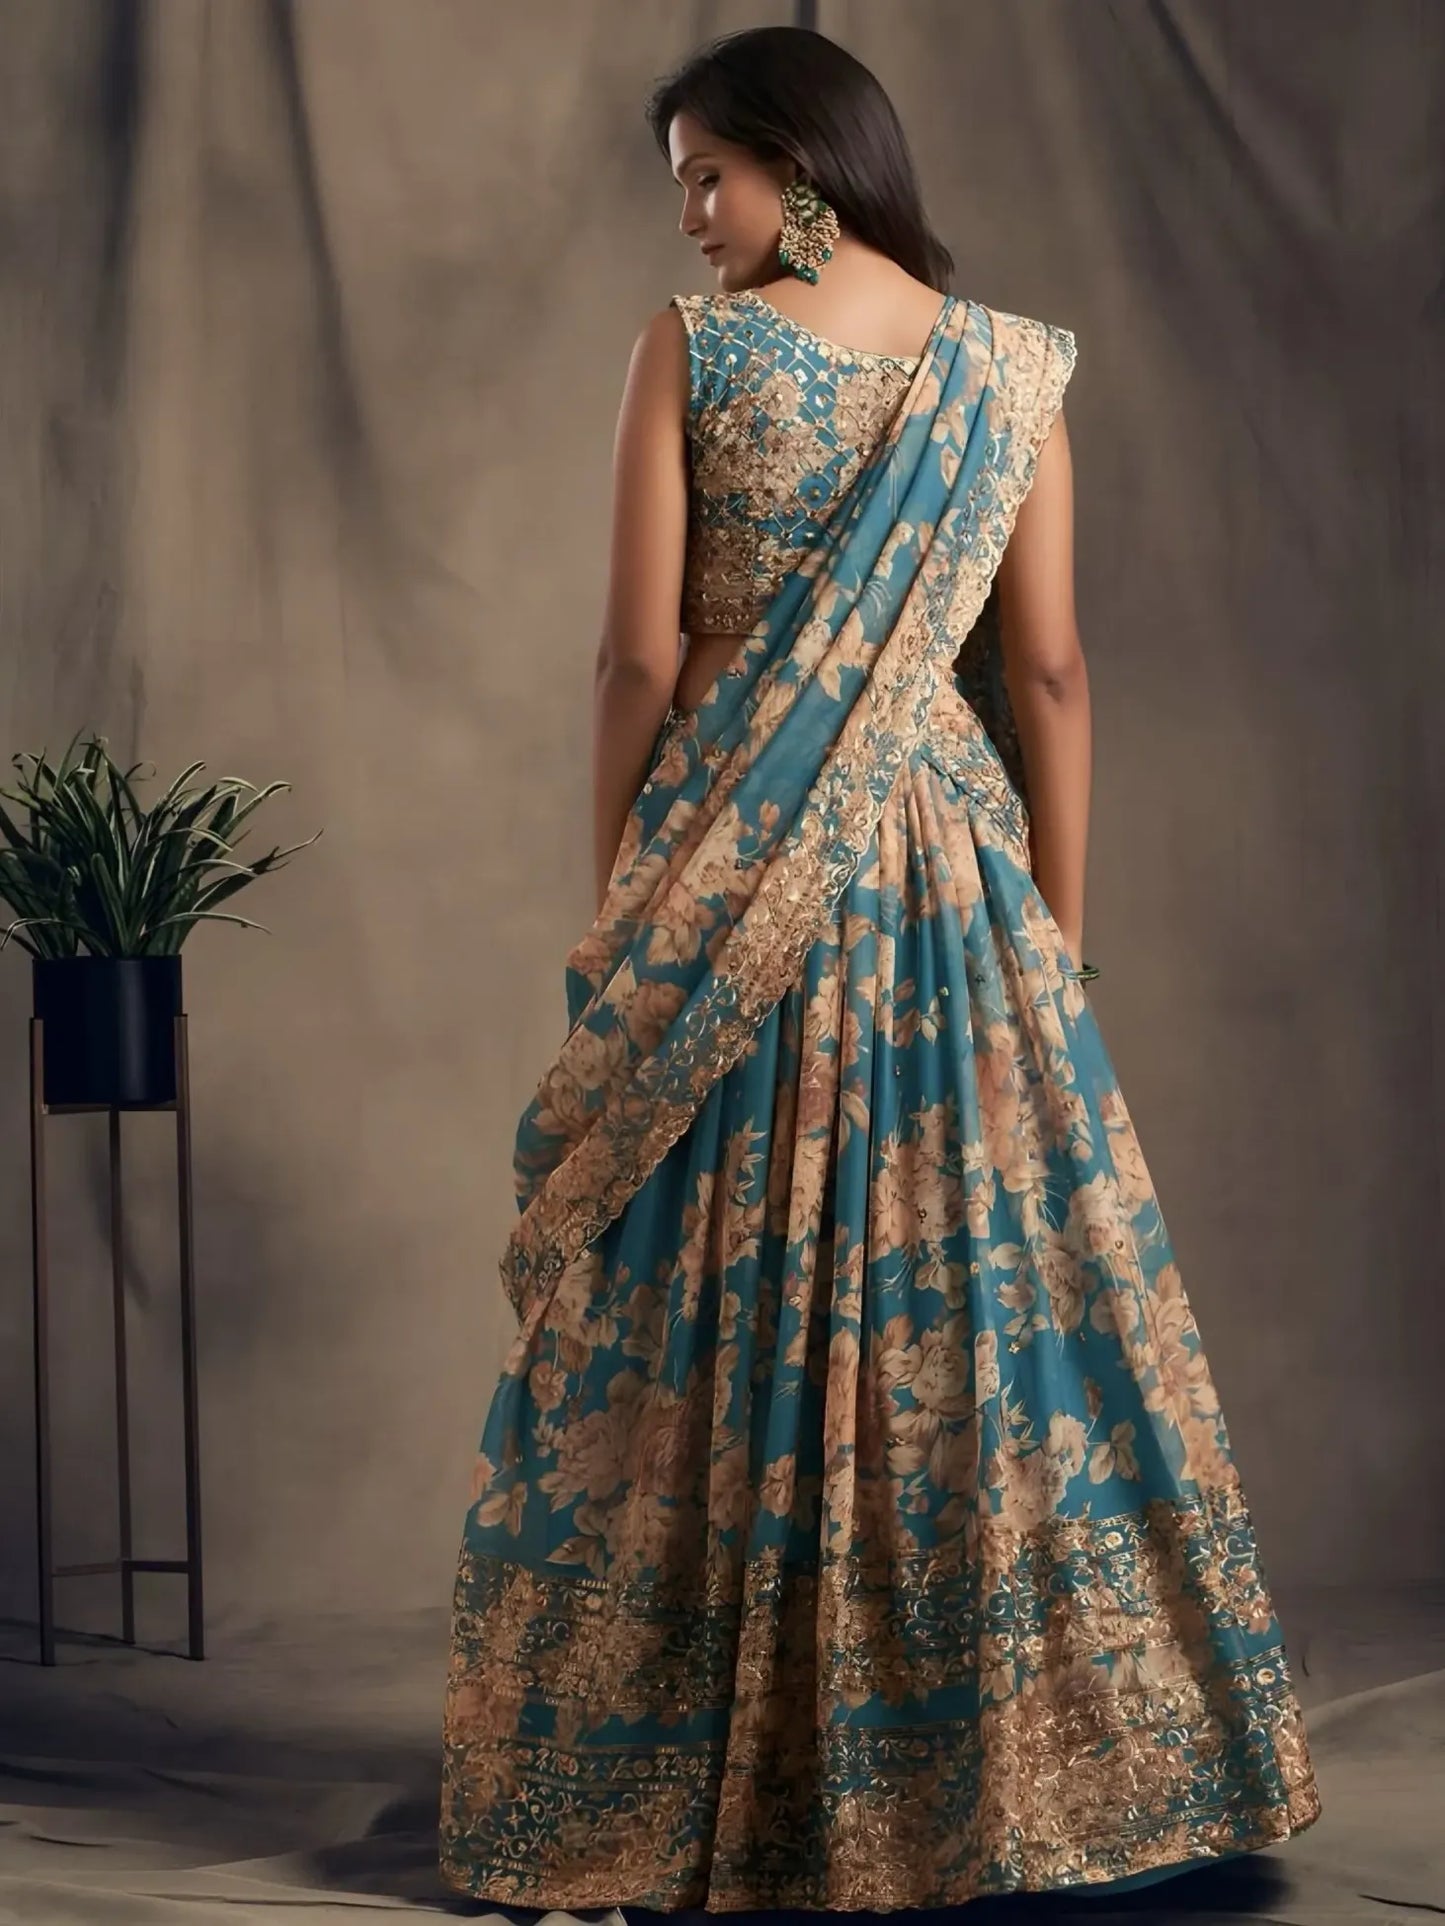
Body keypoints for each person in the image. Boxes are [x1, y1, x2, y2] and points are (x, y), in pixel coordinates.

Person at [438, 23, 1322, 1912]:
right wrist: (1061, 932)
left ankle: (717, 1768)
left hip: (732, 877)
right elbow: (1055, 673)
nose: (687, 219)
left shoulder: (695, 353)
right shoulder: (1008, 373)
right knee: (977, 1305)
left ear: (804, 164)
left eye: (708, 175)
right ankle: (980, 1770)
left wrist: (630, 904)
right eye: (676, 182)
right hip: (951, 887)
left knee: (718, 1310)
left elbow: (637, 663)